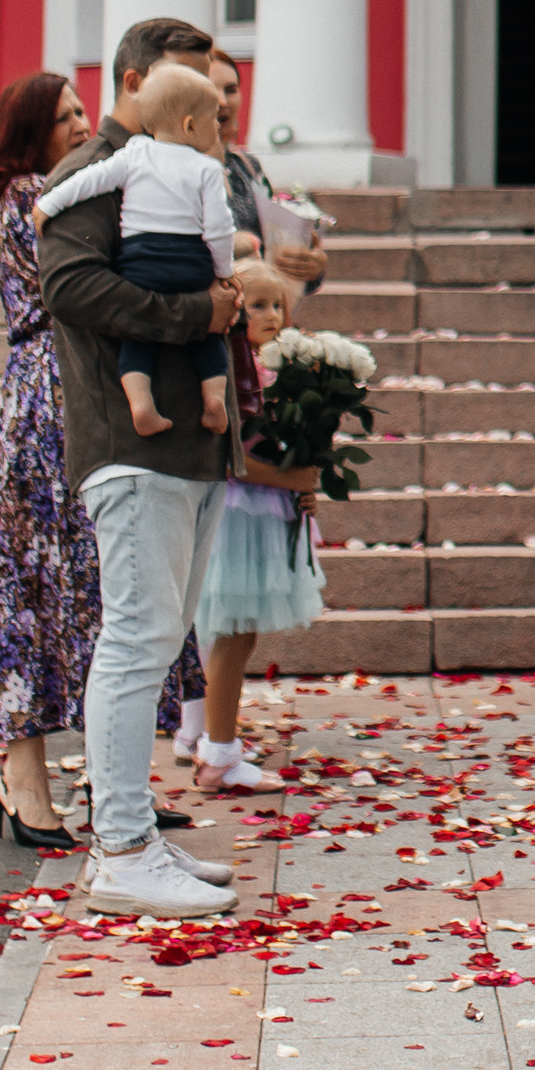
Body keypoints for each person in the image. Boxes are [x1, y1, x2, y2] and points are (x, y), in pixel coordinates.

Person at [39, 13, 247, 921]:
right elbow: (69, 286)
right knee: (134, 640)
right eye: (188, 83)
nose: (207, 104)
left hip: (188, 442)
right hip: (130, 442)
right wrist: (198, 314)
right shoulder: (95, 170)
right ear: (135, 80)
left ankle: (136, 836)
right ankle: (120, 850)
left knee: (157, 640)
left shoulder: (184, 163)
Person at [0, 69, 96, 852]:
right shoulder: (27, 196)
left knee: (63, 584)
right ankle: (24, 778)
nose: (83, 123)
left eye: (83, 109)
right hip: (46, 396)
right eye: (65, 116)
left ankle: (50, 775)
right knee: (35, 588)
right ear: (30, 133)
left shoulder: (46, 191)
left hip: (60, 389)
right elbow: (73, 289)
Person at [183, 257, 323, 794]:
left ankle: (211, 739)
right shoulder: (232, 370)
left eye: (279, 305)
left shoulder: (285, 370)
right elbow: (232, 453)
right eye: (258, 305)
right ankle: (214, 750)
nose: (272, 315)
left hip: (270, 508)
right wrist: (293, 479)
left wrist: (307, 486)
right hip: (242, 512)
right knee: (232, 629)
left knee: (241, 635)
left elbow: (297, 452)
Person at [37, 61, 238, 434]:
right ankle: (213, 400)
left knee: (138, 336)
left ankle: (141, 404)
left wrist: (47, 205)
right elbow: (219, 230)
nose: (218, 127)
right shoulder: (206, 169)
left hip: (140, 262)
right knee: (210, 332)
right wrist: (224, 273)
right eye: (213, 120)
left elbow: (89, 180)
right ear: (191, 126)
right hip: (191, 263)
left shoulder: (134, 154)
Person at [210, 52, 331, 291]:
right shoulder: (180, 169)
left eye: (231, 89)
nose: (223, 101)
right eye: (211, 91)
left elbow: (275, 255)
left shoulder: (247, 167)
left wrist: (310, 265)